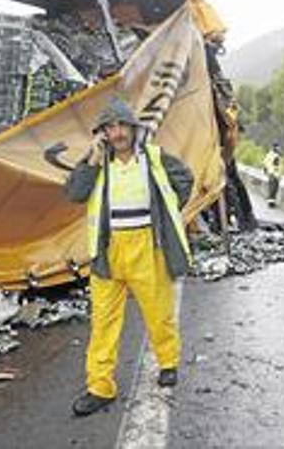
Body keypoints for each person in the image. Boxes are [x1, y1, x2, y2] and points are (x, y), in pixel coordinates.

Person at [65, 98, 194, 417]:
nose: (118, 132)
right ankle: (100, 387)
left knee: (158, 312)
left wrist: (166, 214)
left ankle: (168, 362)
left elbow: (185, 180)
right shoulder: (95, 164)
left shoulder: (154, 158)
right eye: (110, 127)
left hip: (147, 248)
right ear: (103, 134)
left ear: (133, 129)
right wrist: (93, 157)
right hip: (107, 253)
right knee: (104, 323)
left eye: (122, 125)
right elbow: (74, 194)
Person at [262, 142, 283, 207]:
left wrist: (266, 171)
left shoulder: (269, 154)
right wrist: (278, 174)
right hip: (274, 174)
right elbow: (277, 166)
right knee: (273, 189)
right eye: (278, 147)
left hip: (271, 173)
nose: (279, 148)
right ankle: (271, 203)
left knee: (271, 188)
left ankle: (271, 202)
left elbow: (264, 163)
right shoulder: (276, 156)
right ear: (275, 147)